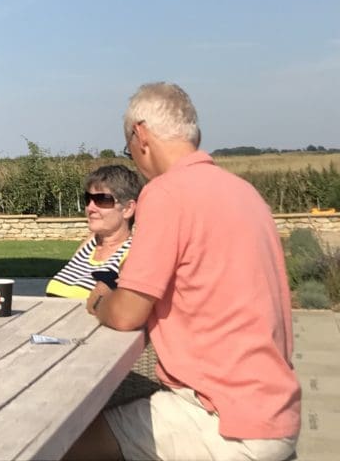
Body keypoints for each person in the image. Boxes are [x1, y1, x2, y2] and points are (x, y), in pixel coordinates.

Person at [66, 82, 300, 461]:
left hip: (220, 420)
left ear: (140, 135)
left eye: (129, 149)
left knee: (64, 444)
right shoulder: (244, 193)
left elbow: (127, 314)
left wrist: (100, 302)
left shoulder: (166, 192)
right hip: (274, 409)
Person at [46, 165, 140, 299]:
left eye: (102, 200)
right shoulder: (91, 244)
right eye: (88, 199)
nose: (90, 207)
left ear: (128, 208)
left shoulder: (132, 254)